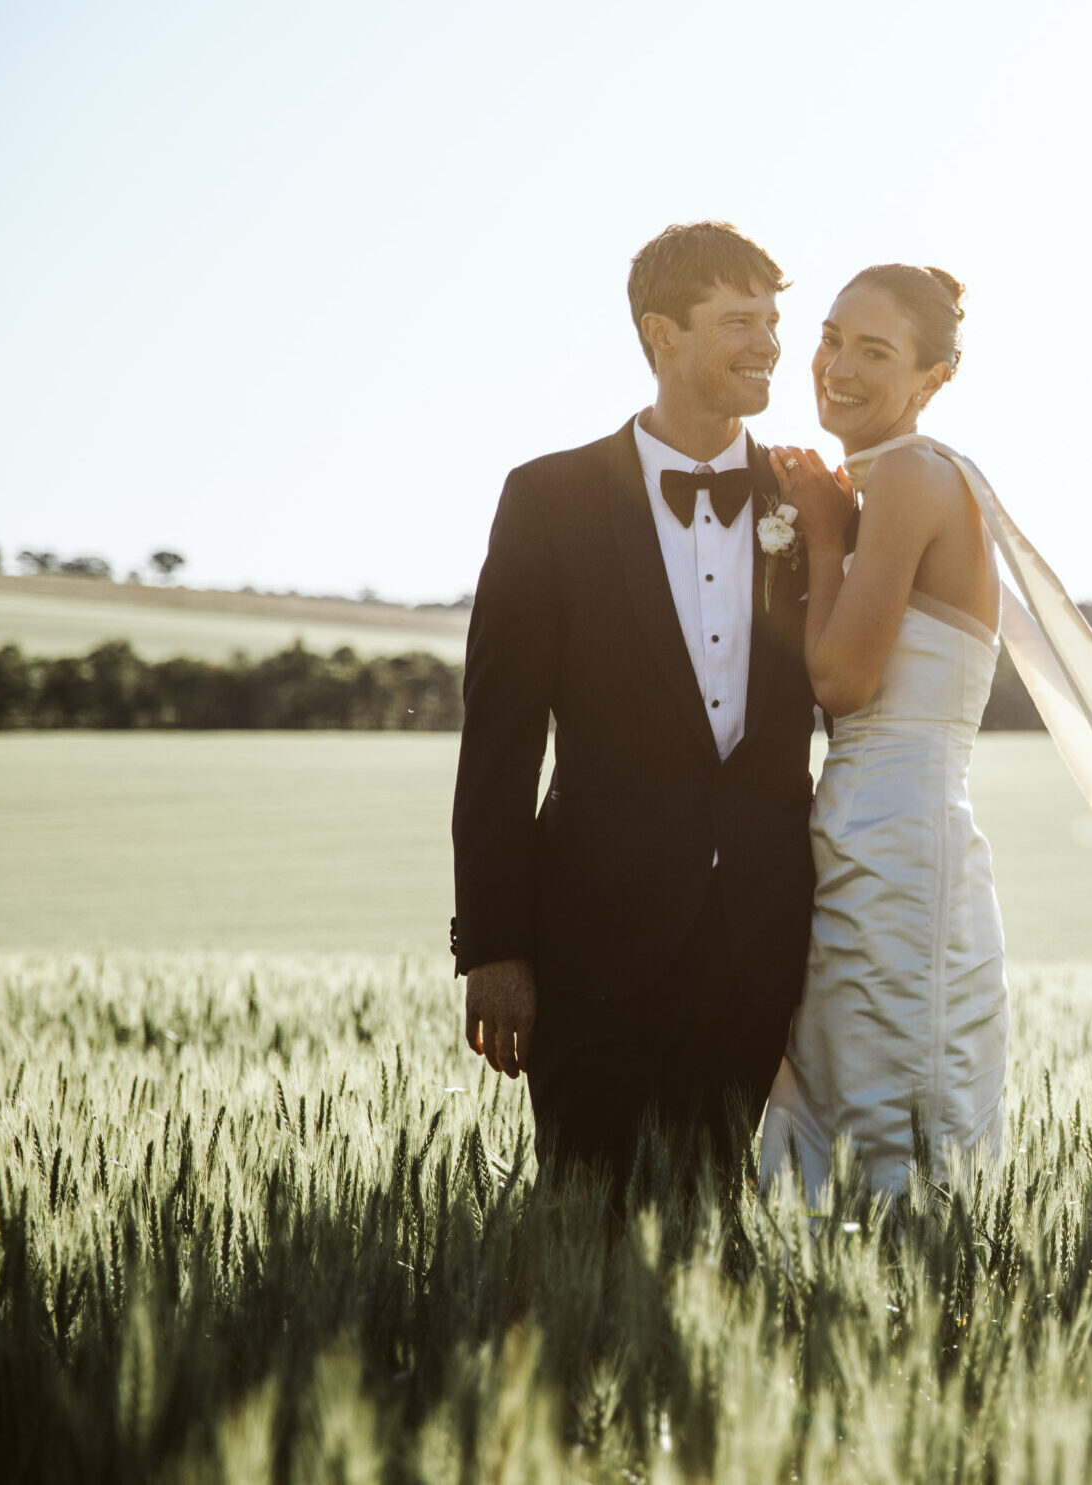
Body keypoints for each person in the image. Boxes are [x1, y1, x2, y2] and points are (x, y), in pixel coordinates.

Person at [451, 221, 820, 1199]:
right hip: (594, 946)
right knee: (585, 1214)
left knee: (718, 1230)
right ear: (662, 333)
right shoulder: (549, 499)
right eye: (739, 321)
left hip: (760, 948)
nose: (769, 344)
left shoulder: (811, 500)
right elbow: (499, 740)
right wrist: (494, 946)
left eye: (773, 321)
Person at [759, 265, 1009, 1201]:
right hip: (863, 832)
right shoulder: (892, 480)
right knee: (844, 1102)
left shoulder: (910, 475)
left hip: (899, 849)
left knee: (887, 1114)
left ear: (931, 379)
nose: (837, 368)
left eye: (874, 351)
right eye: (831, 339)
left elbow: (842, 680)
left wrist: (826, 536)